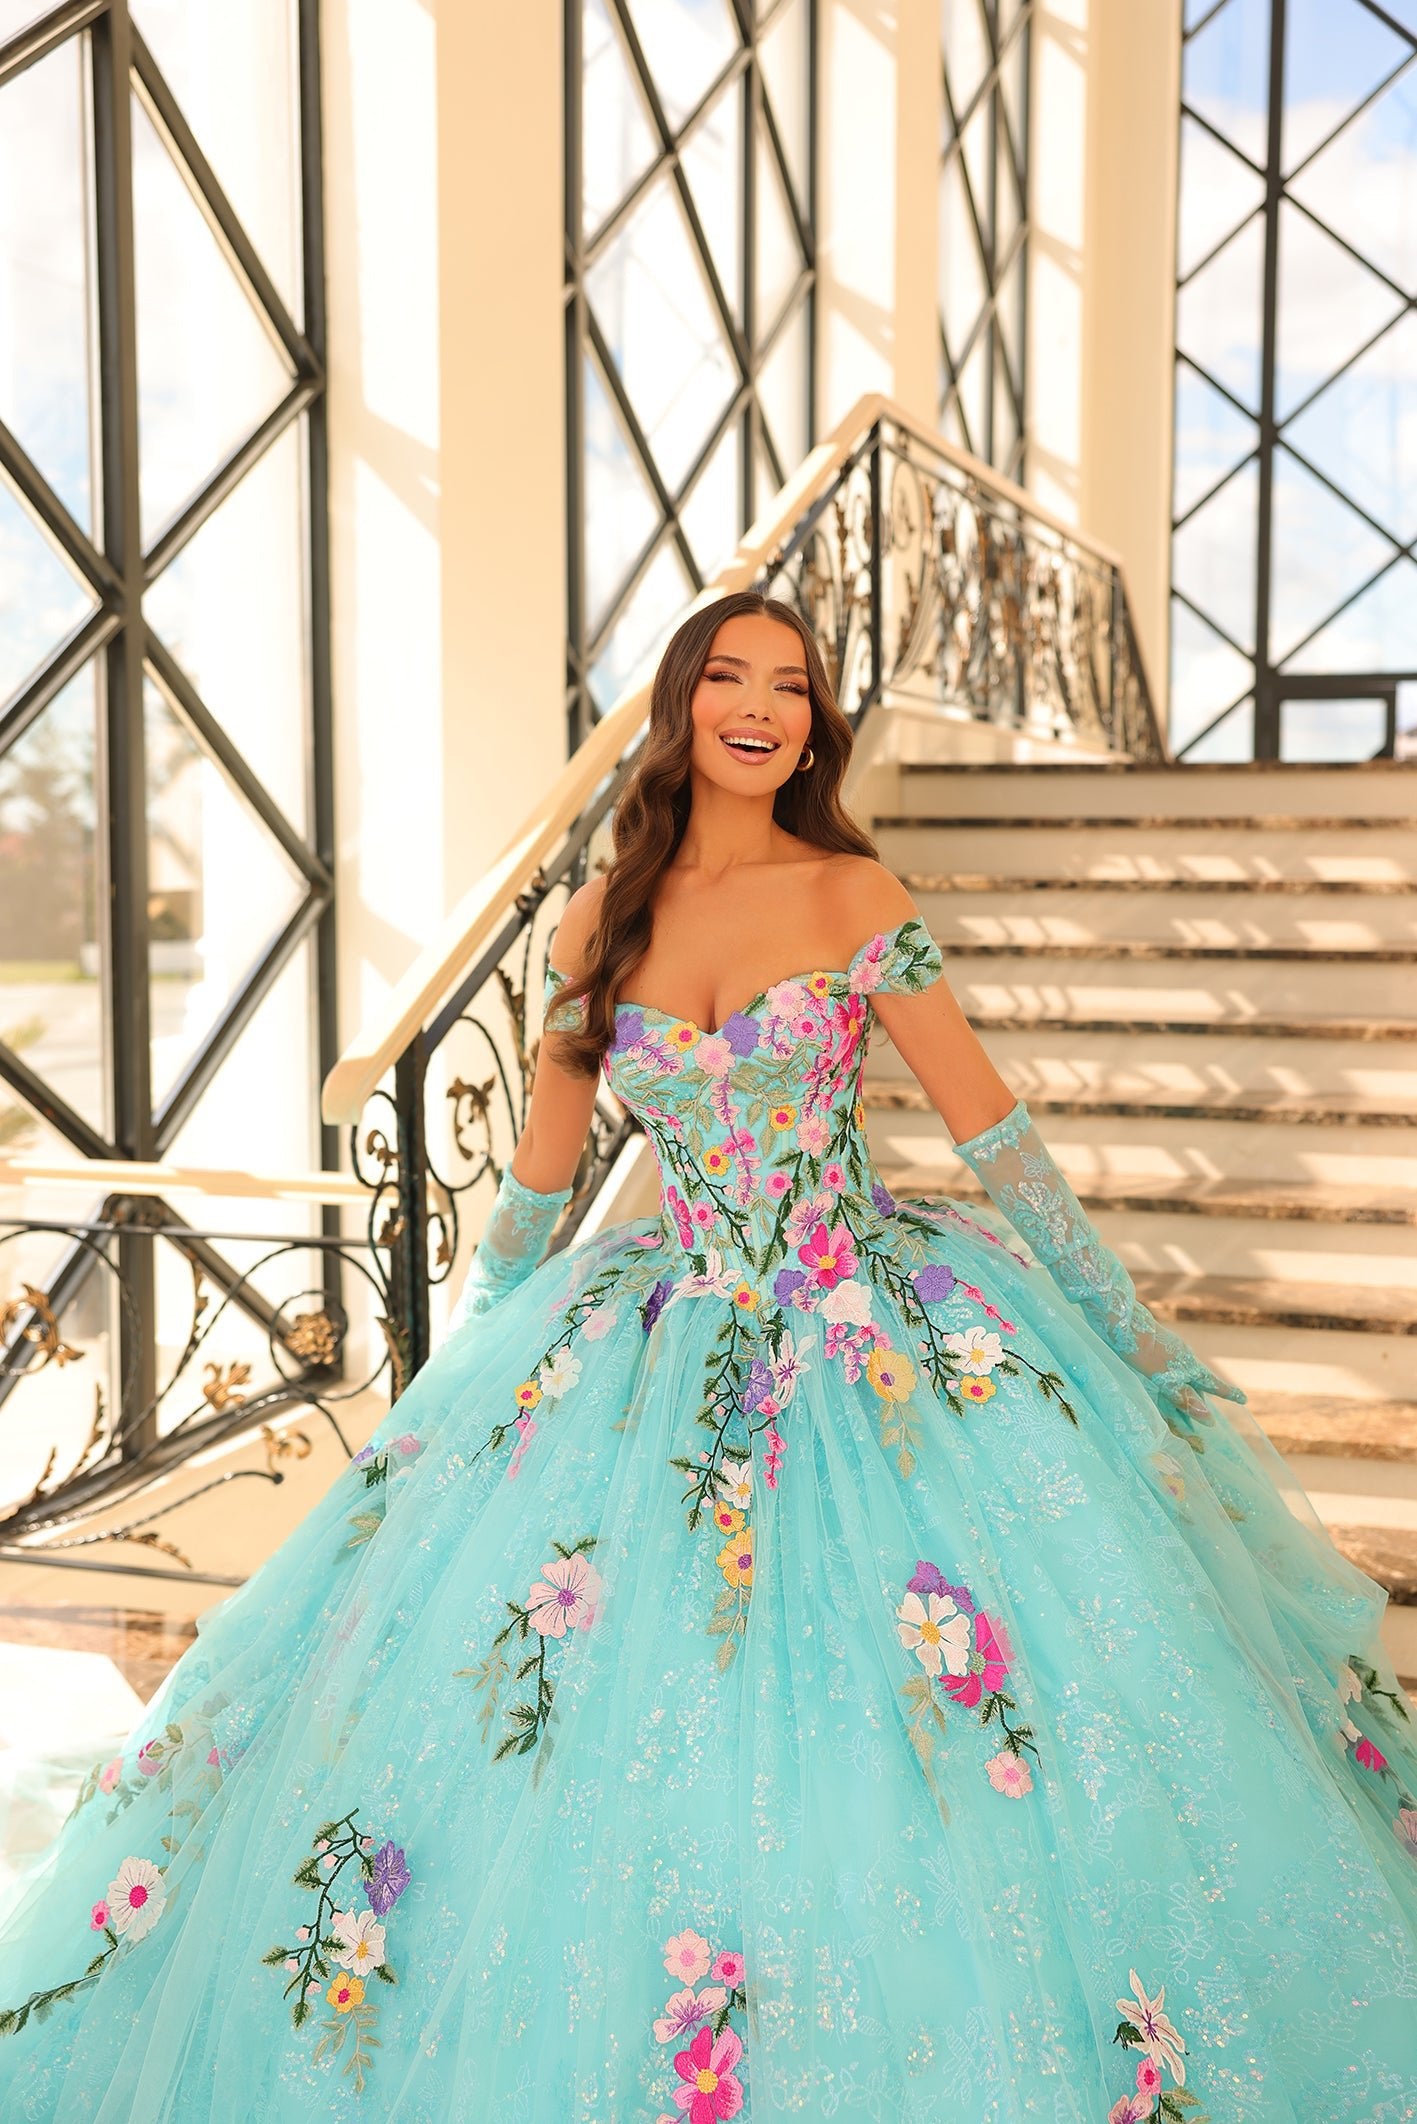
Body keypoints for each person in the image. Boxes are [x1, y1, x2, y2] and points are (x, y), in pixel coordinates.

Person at [1, 590, 1415, 2122]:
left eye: (792, 685)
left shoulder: (852, 894)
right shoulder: (599, 920)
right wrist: (457, 1384)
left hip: (866, 1331)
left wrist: (1122, 1319)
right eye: (727, 677)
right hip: (652, 1332)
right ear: (678, 706)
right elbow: (540, 1182)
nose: (761, 705)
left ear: (815, 723)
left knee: (928, 1722)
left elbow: (988, 1129)